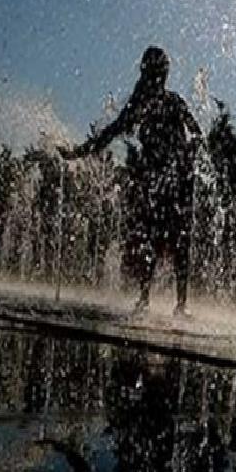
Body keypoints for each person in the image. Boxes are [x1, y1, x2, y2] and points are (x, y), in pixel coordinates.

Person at [64, 46, 201, 316]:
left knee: (172, 238)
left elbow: (197, 133)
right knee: (160, 237)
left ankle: (169, 302)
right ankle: (156, 300)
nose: (160, 76)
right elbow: (111, 132)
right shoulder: (142, 105)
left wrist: (188, 153)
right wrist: (79, 152)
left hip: (173, 180)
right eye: (159, 70)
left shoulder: (172, 102)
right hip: (155, 182)